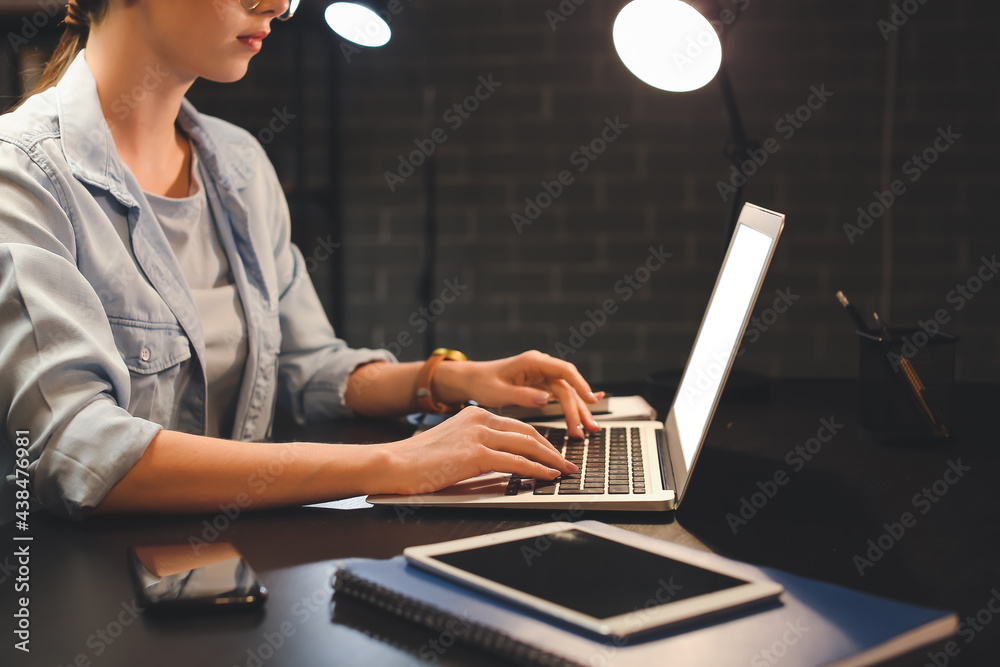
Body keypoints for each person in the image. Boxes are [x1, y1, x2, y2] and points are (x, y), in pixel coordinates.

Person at [0, 0, 601, 519]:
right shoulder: (23, 174)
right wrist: (392, 463)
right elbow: (75, 449)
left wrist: (448, 379)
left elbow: (309, 366)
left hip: (230, 570)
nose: (281, 6)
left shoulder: (239, 164)